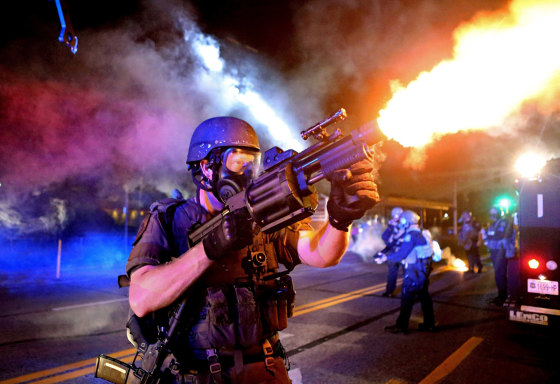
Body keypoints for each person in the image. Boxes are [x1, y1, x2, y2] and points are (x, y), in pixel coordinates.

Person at [125, 116, 379, 384]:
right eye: (237, 162)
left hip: (265, 370)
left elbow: (321, 254)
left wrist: (340, 219)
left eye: (252, 163)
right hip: (198, 375)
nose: (246, 173)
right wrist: (211, 247)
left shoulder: (263, 215)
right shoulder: (170, 218)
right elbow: (141, 299)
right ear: (206, 167)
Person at [384, 210, 436, 334]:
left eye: (402, 220)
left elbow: (403, 253)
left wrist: (386, 258)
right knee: (424, 296)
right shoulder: (420, 232)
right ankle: (429, 323)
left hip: (415, 270)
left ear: (408, 221)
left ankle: (401, 325)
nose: (401, 223)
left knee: (406, 296)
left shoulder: (411, 235)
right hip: (422, 269)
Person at [377, 207, 404, 297]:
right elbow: (385, 237)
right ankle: (389, 291)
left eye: (397, 216)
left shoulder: (404, 224)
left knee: (408, 273)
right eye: (394, 216)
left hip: (403, 252)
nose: (395, 218)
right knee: (392, 273)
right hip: (393, 250)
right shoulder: (391, 225)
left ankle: (410, 292)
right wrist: (390, 227)